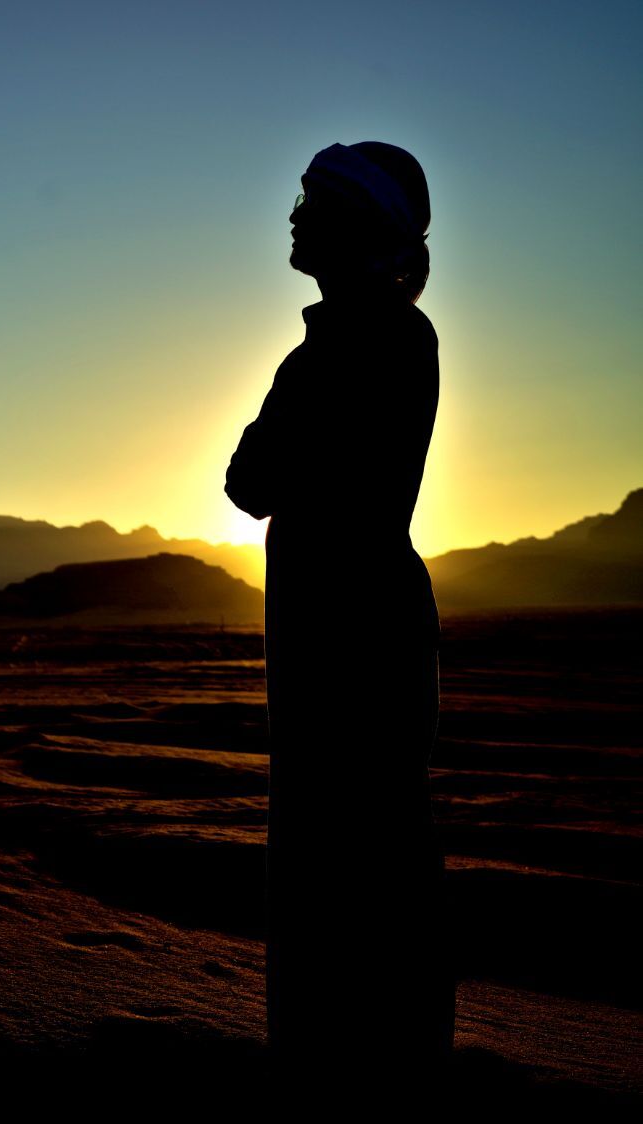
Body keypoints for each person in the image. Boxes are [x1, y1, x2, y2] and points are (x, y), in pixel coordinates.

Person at [224, 141, 456, 1102]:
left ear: (360, 229)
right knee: (372, 857)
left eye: (314, 204)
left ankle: (351, 1079)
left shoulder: (349, 345)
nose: (293, 216)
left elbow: (249, 480)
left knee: (347, 862)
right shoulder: (393, 336)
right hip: (361, 628)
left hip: (346, 639)